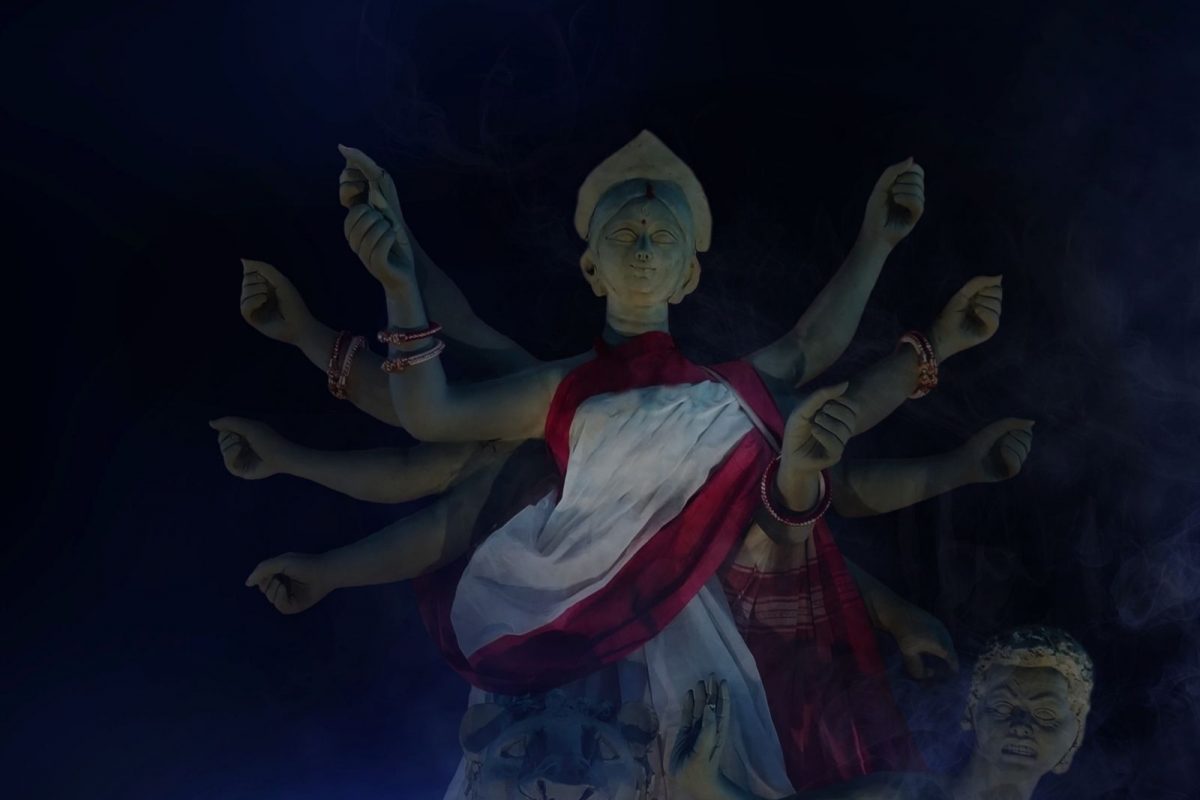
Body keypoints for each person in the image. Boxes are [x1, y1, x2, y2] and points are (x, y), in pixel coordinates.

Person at [315, 130, 1020, 794]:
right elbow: (432, 414)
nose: (645, 249)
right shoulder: (561, 388)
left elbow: (817, 354)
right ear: (591, 267)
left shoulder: (730, 396)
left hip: (694, 630)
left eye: (664, 238)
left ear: (689, 275)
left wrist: (881, 244)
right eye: (626, 235)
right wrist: (399, 283)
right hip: (560, 625)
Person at [672, 627, 1094, 800]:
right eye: (1003, 706)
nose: (1021, 727)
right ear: (972, 712)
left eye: (1046, 715)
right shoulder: (898, 795)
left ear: (1073, 741)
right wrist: (706, 786)